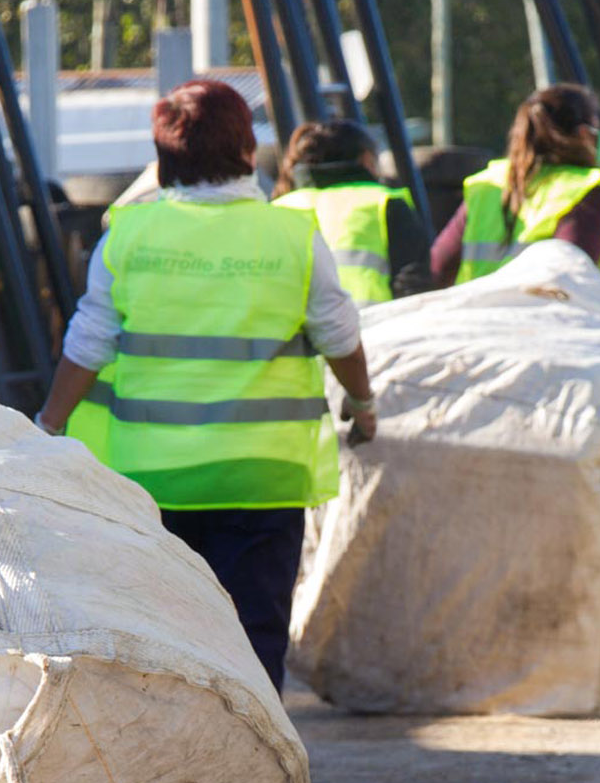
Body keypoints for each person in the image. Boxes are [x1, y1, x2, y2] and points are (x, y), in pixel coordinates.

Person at [34, 79, 377, 692]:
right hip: (261, 479)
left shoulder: (129, 236)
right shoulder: (291, 235)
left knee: (164, 633)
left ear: (165, 158)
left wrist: (49, 427)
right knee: (254, 633)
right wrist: (363, 401)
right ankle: (257, 769)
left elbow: (88, 344)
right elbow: (339, 334)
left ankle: (181, 767)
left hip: (153, 481)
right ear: (248, 151)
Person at [428, 83, 600, 289]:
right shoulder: (586, 192)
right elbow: (568, 286)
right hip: (556, 320)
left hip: (478, 318)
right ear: (584, 135)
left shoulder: (486, 188)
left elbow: (436, 271)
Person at [273, 120, 431, 303]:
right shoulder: (384, 203)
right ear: (366, 158)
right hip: (372, 327)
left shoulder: (278, 209)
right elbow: (412, 288)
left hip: (290, 330)